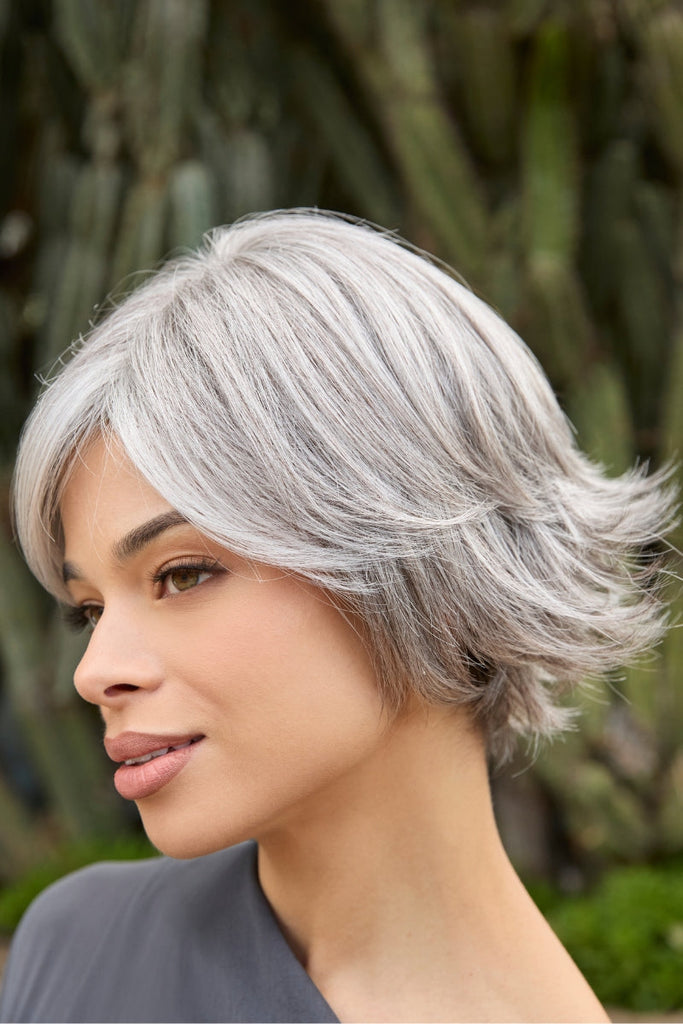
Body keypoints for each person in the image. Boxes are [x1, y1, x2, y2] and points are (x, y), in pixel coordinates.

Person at [0, 209, 675, 1023]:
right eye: (89, 609)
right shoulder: (74, 945)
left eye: (182, 574)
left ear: (412, 547)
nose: (94, 671)